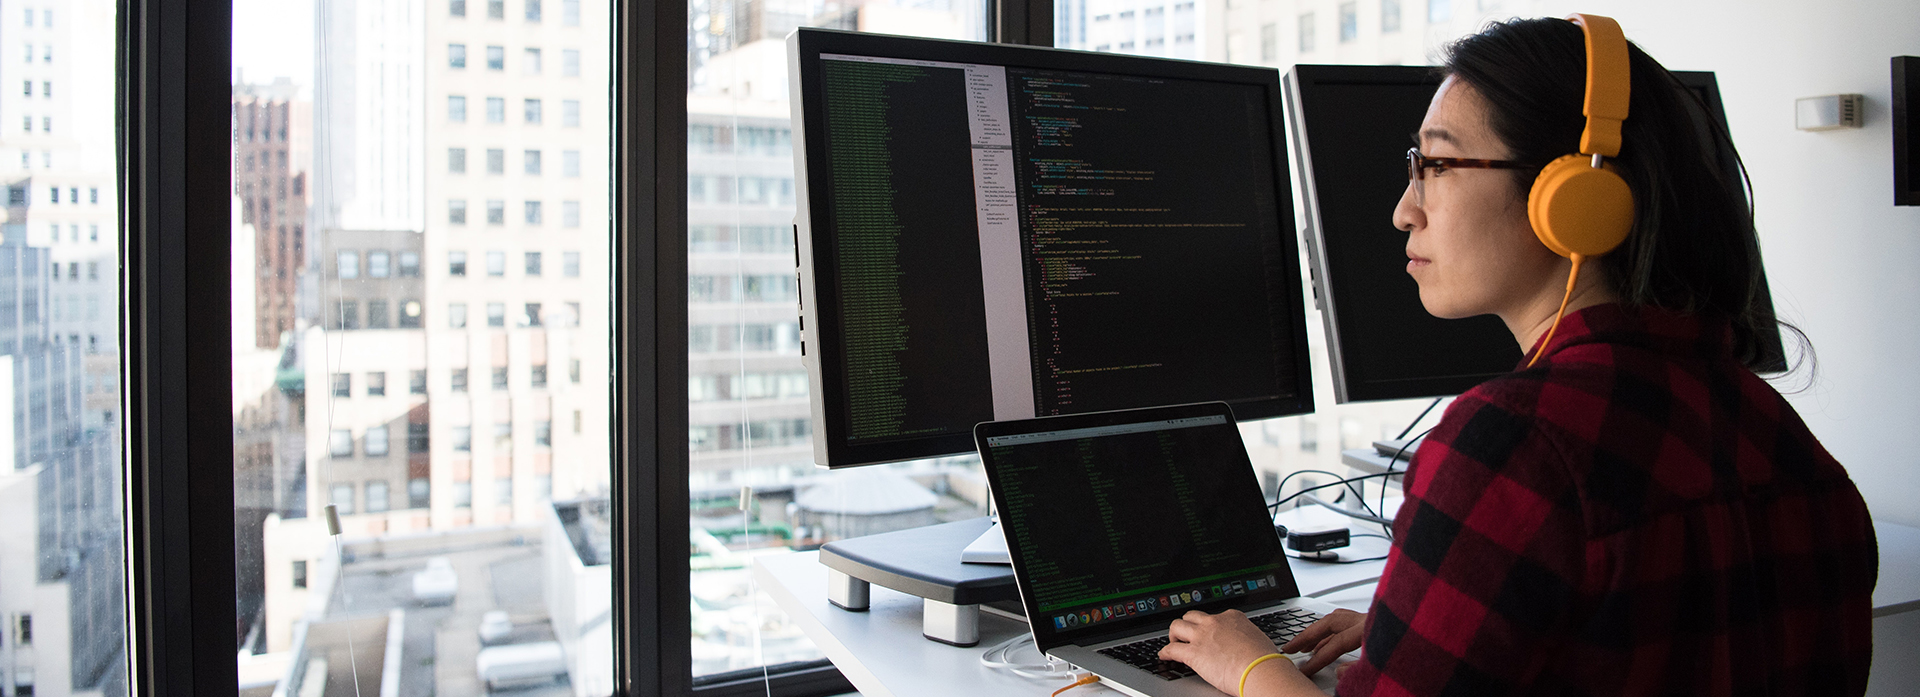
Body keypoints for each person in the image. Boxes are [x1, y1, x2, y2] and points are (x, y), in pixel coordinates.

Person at [1157, 16, 1878, 697]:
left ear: (1572, 198)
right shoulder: (1784, 438)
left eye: (1435, 163)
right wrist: (1412, 629)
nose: (1405, 209)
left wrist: (1252, 665)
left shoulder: (1513, 447)